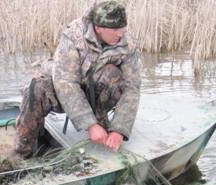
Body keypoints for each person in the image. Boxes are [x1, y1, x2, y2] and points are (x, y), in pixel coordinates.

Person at [14, 0, 141, 158]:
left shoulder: (128, 44)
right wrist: (89, 124)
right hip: (65, 90)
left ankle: (103, 123)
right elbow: (66, 82)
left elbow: (132, 88)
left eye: (123, 28)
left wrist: (120, 129)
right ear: (98, 28)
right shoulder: (74, 35)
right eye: (115, 29)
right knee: (37, 87)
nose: (120, 34)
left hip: (94, 91)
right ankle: (22, 152)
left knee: (112, 74)